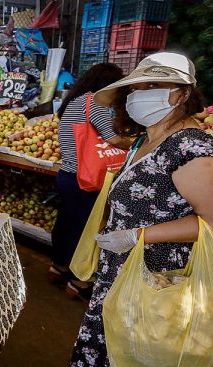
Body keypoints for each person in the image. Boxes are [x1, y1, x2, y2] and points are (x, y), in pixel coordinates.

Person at [69, 52, 213, 367]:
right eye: (136, 87)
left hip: (158, 278)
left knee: (140, 357)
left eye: (154, 85)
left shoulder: (191, 148)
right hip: (123, 272)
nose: (140, 94)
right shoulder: (142, 141)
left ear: (183, 93)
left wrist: (138, 235)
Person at [50, 63, 131, 300]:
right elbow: (114, 140)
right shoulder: (93, 104)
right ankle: (77, 281)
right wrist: (139, 142)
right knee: (84, 230)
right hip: (85, 179)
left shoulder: (72, 103)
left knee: (66, 224)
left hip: (67, 175)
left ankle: (58, 267)